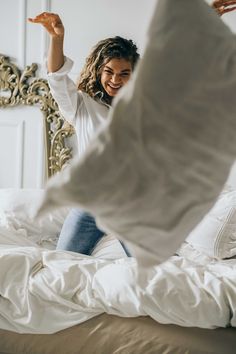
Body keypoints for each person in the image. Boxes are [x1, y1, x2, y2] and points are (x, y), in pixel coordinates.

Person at [28, 12, 139, 256]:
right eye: (109, 71)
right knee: (62, 264)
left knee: (154, 271)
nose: (115, 80)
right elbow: (57, 78)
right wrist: (58, 39)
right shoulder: (82, 105)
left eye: (124, 74)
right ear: (99, 70)